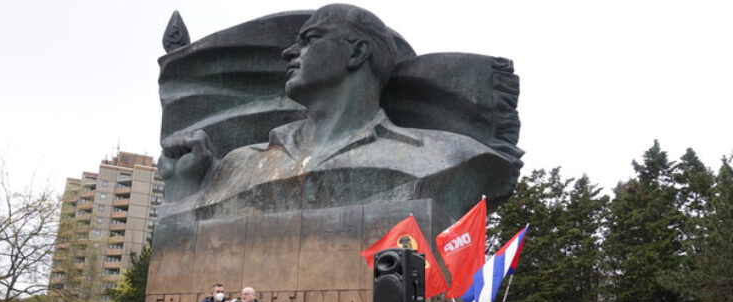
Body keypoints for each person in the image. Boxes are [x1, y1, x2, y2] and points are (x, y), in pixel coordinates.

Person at [157, 4, 520, 220]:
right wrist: (183, 191)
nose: (288, 53)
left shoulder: (447, 155)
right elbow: (185, 234)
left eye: (310, 39)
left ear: (358, 52)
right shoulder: (237, 165)